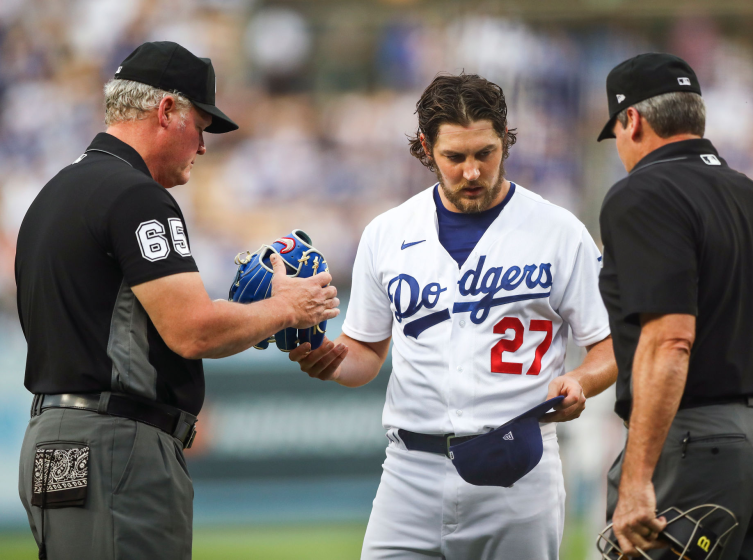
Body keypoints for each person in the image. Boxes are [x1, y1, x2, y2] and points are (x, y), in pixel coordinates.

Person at [15, 41, 339, 560]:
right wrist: (287, 307)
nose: (204, 146)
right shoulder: (135, 194)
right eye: (201, 125)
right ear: (167, 110)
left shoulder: (54, 194)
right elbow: (193, 330)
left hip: (53, 440)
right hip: (115, 445)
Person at [290, 73, 617, 559]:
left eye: (484, 153)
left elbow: (609, 345)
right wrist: (330, 358)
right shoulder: (388, 233)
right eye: (455, 156)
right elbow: (365, 356)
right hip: (409, 471)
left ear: (505, 142)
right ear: (426, 147)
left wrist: (583, 381)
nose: (471, 171)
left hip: (518, 467)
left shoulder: (557, 230)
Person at [596, 53, 753, 558]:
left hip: (695, 444)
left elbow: (671, 338)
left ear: (631, 120)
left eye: (615, 132)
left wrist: (636, 480)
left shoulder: (642, 193)